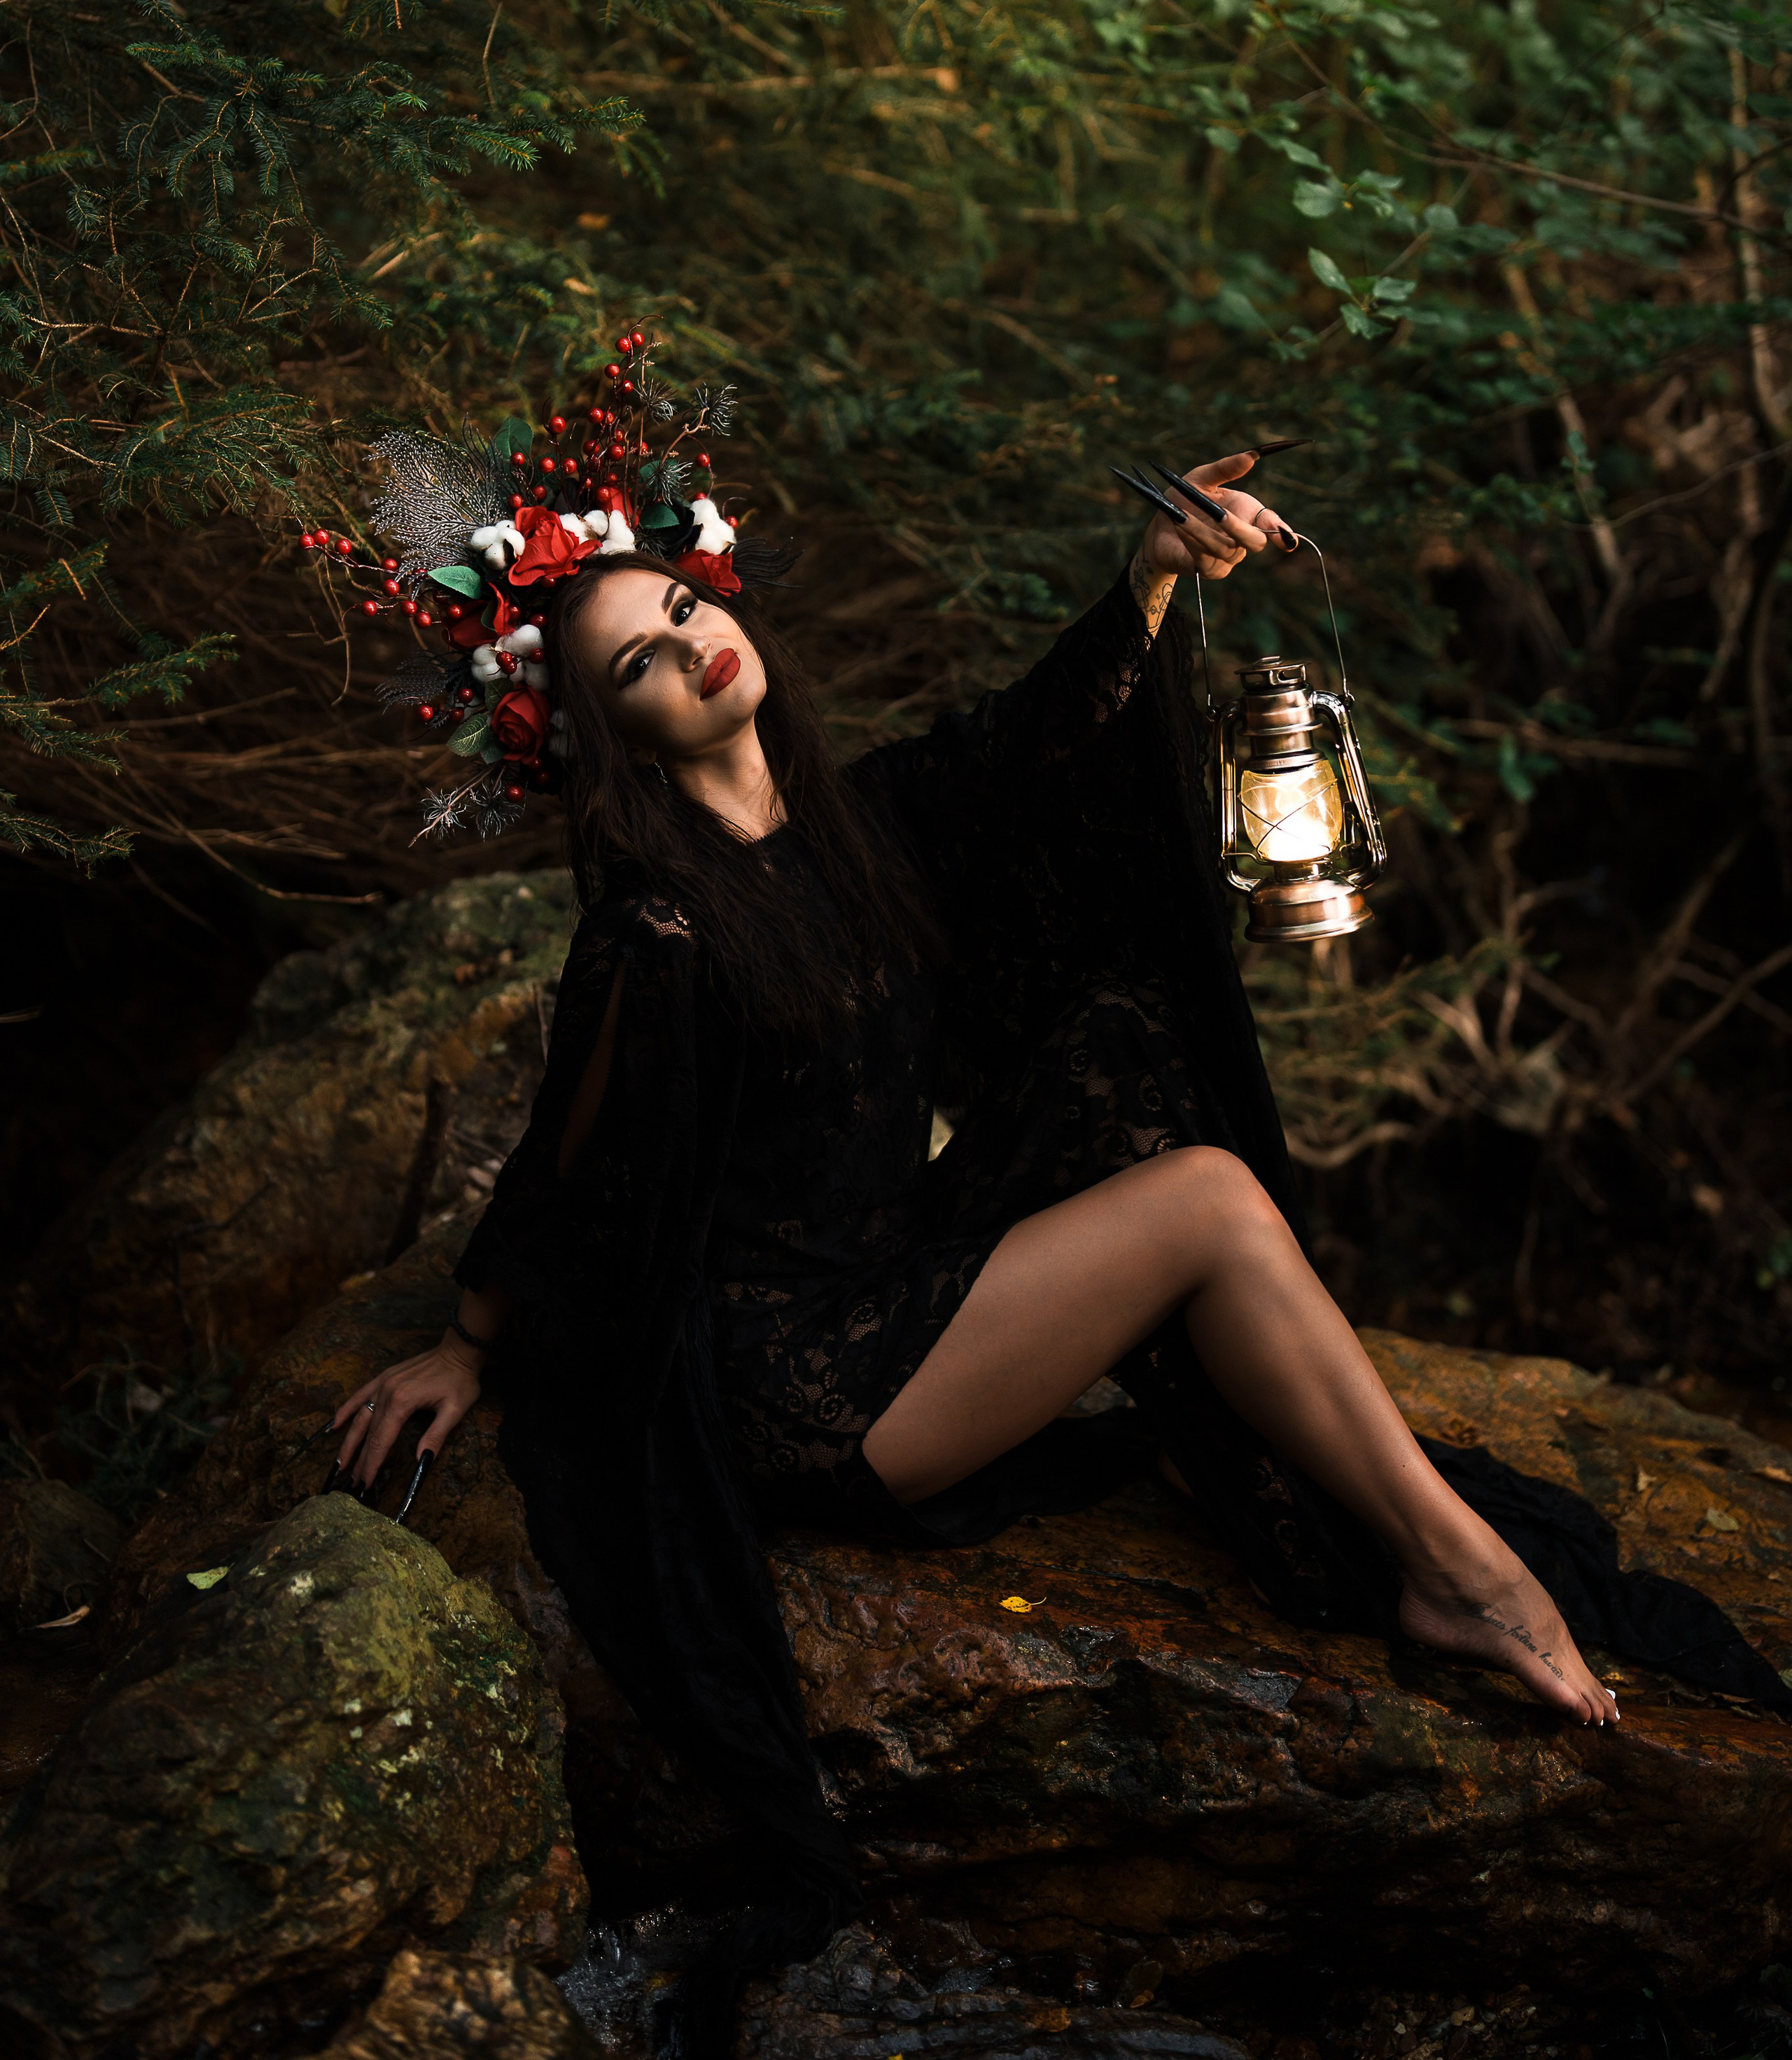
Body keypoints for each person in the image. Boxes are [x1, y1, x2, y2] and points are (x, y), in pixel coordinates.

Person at [324, 415, 1784, 1983]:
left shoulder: (849, 819)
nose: (689, 650)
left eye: (682, 610)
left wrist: (1150, 579)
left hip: (887, 1275)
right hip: (811, 1384)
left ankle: (1439, 1554)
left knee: (1110, 1051)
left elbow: (1022, 746)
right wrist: (472, 1340)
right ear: (611, 739)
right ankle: (1460, 1575)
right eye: (635, 668)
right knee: (1207, 1202)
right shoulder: (657, 937)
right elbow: (570, 1157)